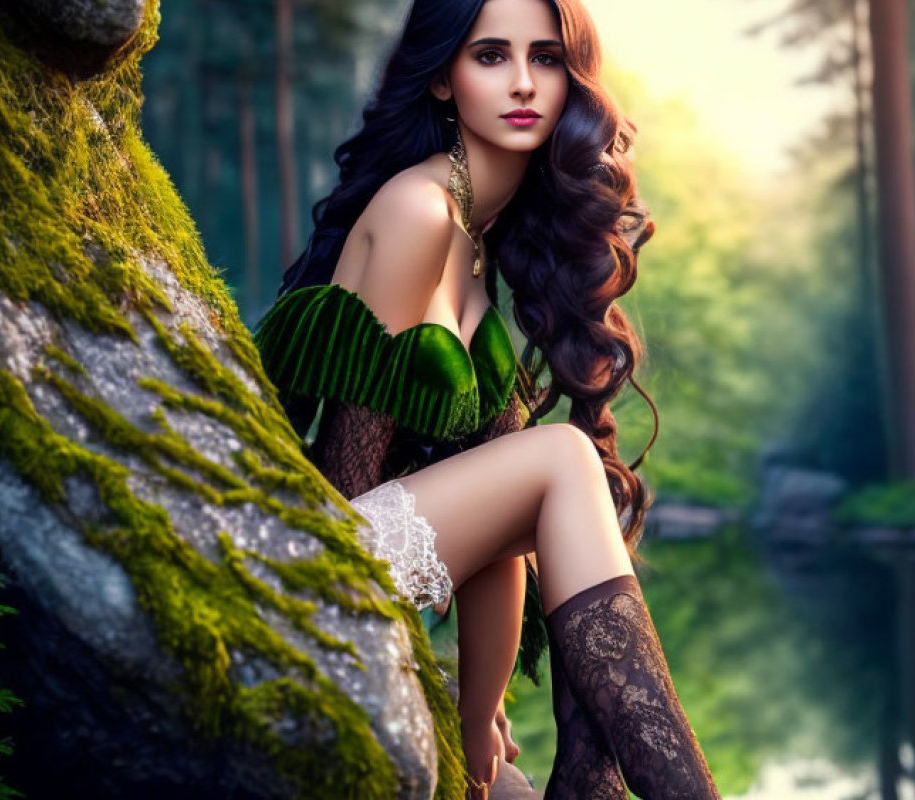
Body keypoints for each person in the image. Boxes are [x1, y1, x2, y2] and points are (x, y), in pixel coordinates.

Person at [254, 0, 720, 797]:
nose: (523, 83)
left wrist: (478, 710)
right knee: (567, 453)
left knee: (509, 791)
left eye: (544, 58)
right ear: (442, 78)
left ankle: (584, 775)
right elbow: (347, 484)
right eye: (491, 56)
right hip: (319, 573)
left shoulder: (472, 235)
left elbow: (502, 532)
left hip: (370, 567)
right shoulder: (419, 212)